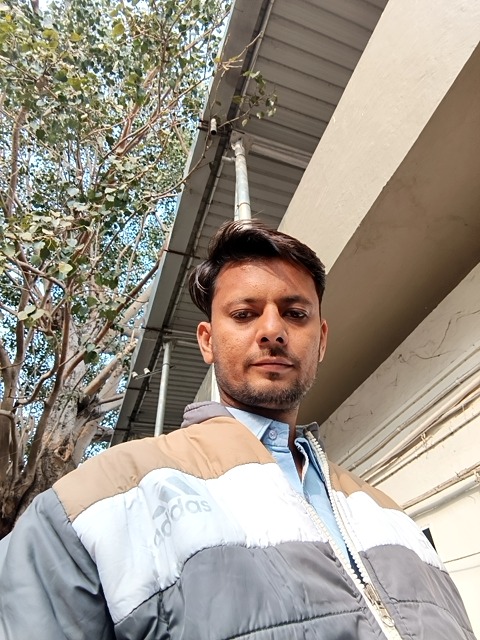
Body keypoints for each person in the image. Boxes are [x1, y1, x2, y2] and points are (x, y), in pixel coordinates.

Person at [0, 220, 475, 640]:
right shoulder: (101, 500)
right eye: (245, 314)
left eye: (295, 314)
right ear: (207, 341)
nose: (272, 331)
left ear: (322, 340)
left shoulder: (390, 515)